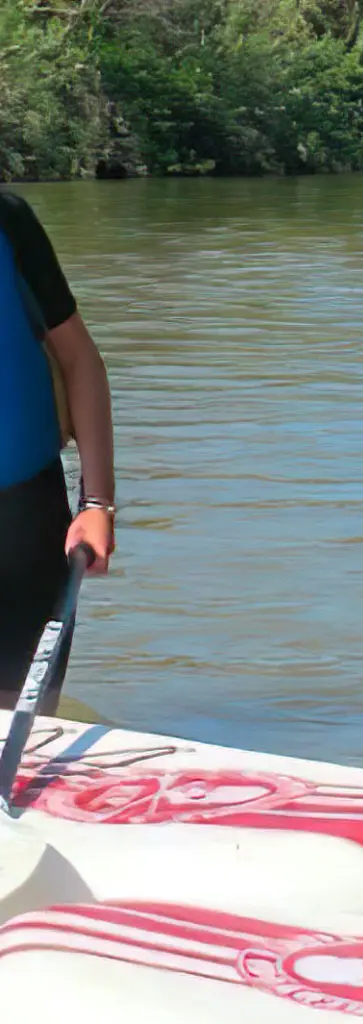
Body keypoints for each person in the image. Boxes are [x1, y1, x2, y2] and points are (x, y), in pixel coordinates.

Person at [0, 189, 115, 714]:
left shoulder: (9, 219)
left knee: (25, 724)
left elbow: (80, 360)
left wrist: (97, 505)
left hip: (23, 520)